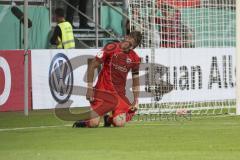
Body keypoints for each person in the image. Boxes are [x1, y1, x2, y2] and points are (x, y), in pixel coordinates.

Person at [72, 31, 142, 128]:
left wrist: (136, 100)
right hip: (102, 91)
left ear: (134, 47)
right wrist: (89, 88)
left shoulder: (135, 59)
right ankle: (85, 121)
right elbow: (92, 65)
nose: (128, 46)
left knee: (119, 123)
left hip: (119, 95)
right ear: (125, 37)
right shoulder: (111, 47)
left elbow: (136, 80)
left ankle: (108, 119)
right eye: (128, 42)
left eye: (132, 45)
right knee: (93, 124)